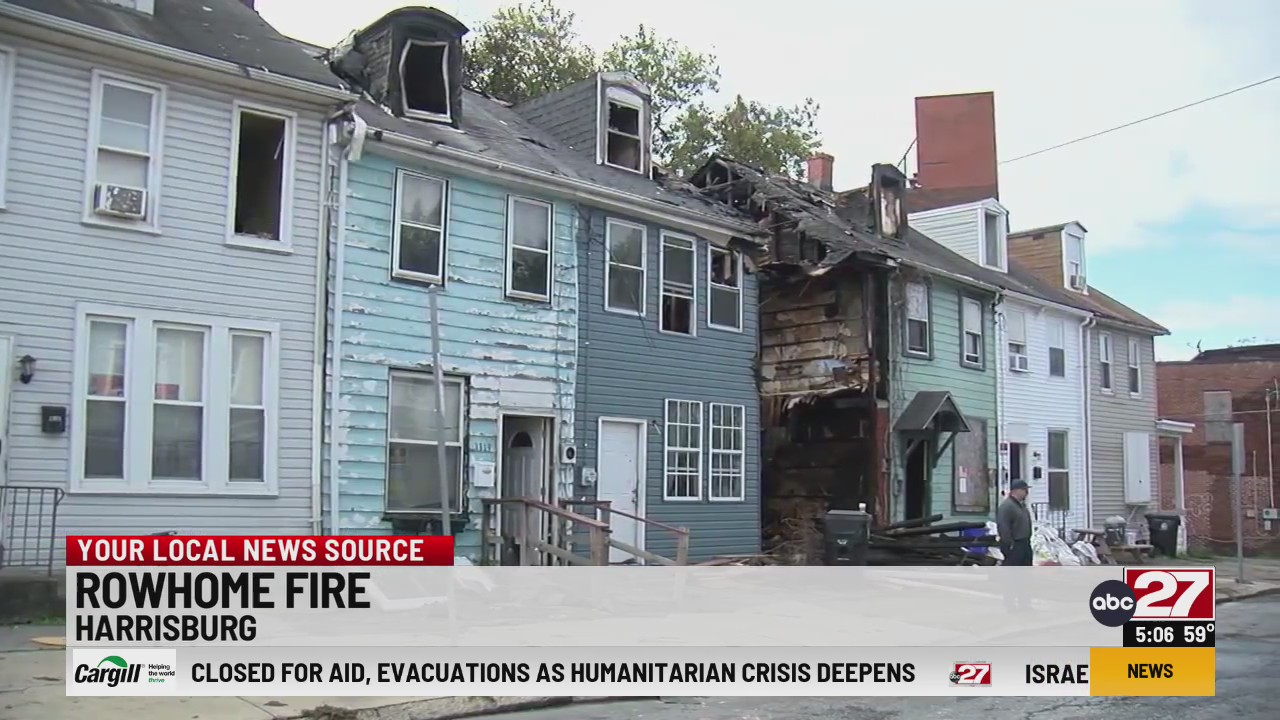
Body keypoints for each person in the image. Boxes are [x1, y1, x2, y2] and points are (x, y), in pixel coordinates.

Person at [996, 480, 1033, 566]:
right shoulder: (1007, 506)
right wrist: (1009, 544)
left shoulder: (1022, 506)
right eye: (1024, 490)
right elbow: (1003, 527)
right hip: (1015, 545)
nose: (1026, 492)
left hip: (1025, 543)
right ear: (1016, 490)